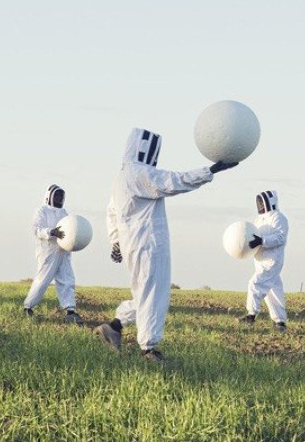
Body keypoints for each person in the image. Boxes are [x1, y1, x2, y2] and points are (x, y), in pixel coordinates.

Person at [94, 128, 237, 362]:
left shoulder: (122, 176)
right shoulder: (138, 172)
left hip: (134, 243)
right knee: (154, 294)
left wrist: (116, 240)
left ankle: (114, 326)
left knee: (146, 293)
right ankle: (149, 350)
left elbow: (111, 212)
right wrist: (210, 170)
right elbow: (173, 182)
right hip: (148, 243)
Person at [23, 185, 81, 323]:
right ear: (49, 196)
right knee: (42, 280)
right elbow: (37, 229)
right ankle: (28, 307)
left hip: (64, 252)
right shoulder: (41, 211)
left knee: (67, 279)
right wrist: (51, 232)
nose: (60, 199)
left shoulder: (64, 213)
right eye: (57, 195)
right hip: (48, 252)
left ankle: (70, 310)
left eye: (62, 196)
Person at [239, 191, 290, 331]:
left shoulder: (279, 217)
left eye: (262, 202)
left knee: (255, 284)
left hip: (273, 260)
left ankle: (251, 315)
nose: (260, 205)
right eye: (259, 202)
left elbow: (280, 238)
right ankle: (280, 322)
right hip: (260, 261)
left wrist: (262, 241)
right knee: (273, 290)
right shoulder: (258, 220)